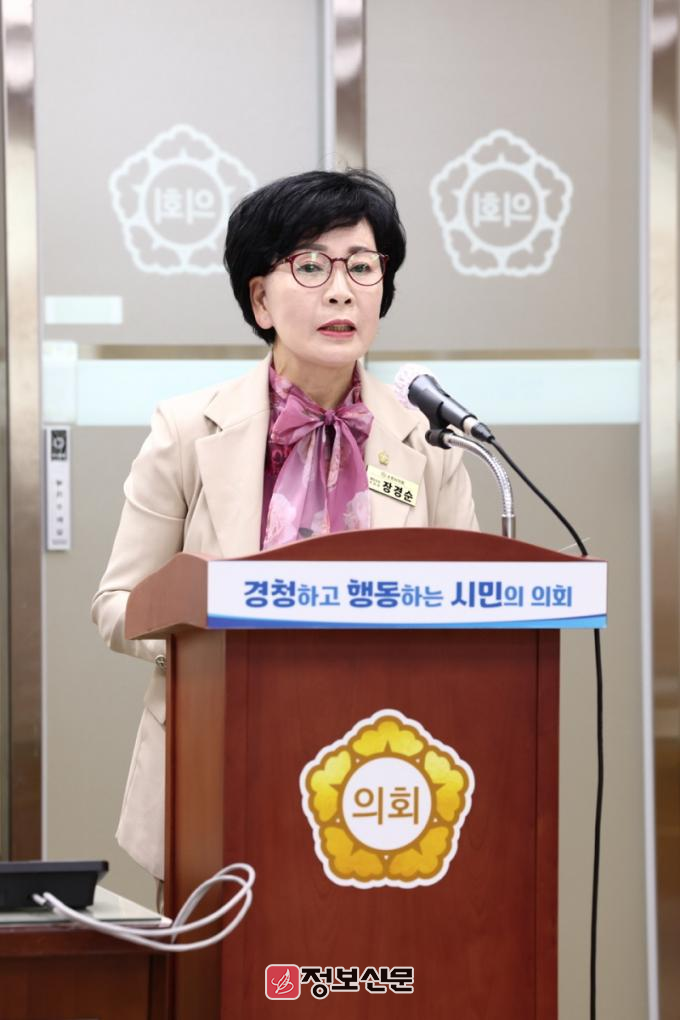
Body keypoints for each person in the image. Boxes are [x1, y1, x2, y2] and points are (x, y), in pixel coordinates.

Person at [92, 168, 478, 880]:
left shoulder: (426, 442)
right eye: (311, 266)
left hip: (385, 775)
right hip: (217, 757)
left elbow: (469, 612)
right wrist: (210, 630)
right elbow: (116, 606)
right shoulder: (187, 429)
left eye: (362, 267)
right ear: (261, 298)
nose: (341, 290)